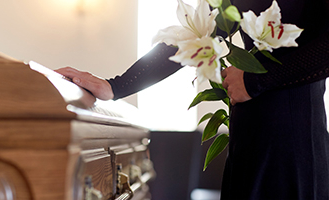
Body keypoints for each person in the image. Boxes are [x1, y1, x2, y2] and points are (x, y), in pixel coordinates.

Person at [56, 0, 329, 199]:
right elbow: (193, 35)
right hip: (249, 134)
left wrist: (256, 80)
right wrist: (115, 86)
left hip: (295, 140)